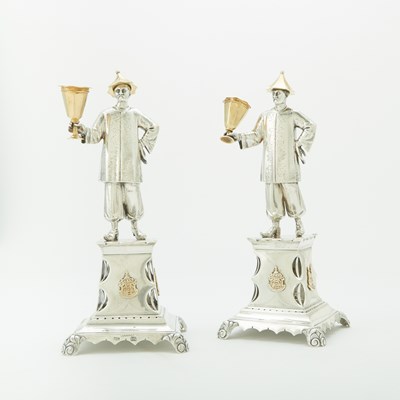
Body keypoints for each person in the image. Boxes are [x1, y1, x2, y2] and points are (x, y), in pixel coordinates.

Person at [69, 71, 159, 241]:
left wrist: (141, 146)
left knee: (132, 194)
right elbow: (95, 135)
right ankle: (113, 230)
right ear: (114, 94)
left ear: (130, 92)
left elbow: (153, 127)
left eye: (124, 90)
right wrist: (81, 129)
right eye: (118, 91)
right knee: (113, 196)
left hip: (130, 163)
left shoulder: (135, 114)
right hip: (111, 163)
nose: (121, 93)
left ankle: (136, 228)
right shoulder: (107, 114)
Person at [230, 72, 316, 238]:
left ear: (286, 95)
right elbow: (257, 136)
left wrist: (300, 143)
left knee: (292, 193)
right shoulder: (266, 116)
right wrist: (238, 137)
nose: (275, 95)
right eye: (274, 93)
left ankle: (298, 222)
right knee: (272, 196)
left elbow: (310, 126)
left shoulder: (292, 115)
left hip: (287, 164)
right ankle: (275, 227)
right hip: (270, 165)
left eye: (279, 93)